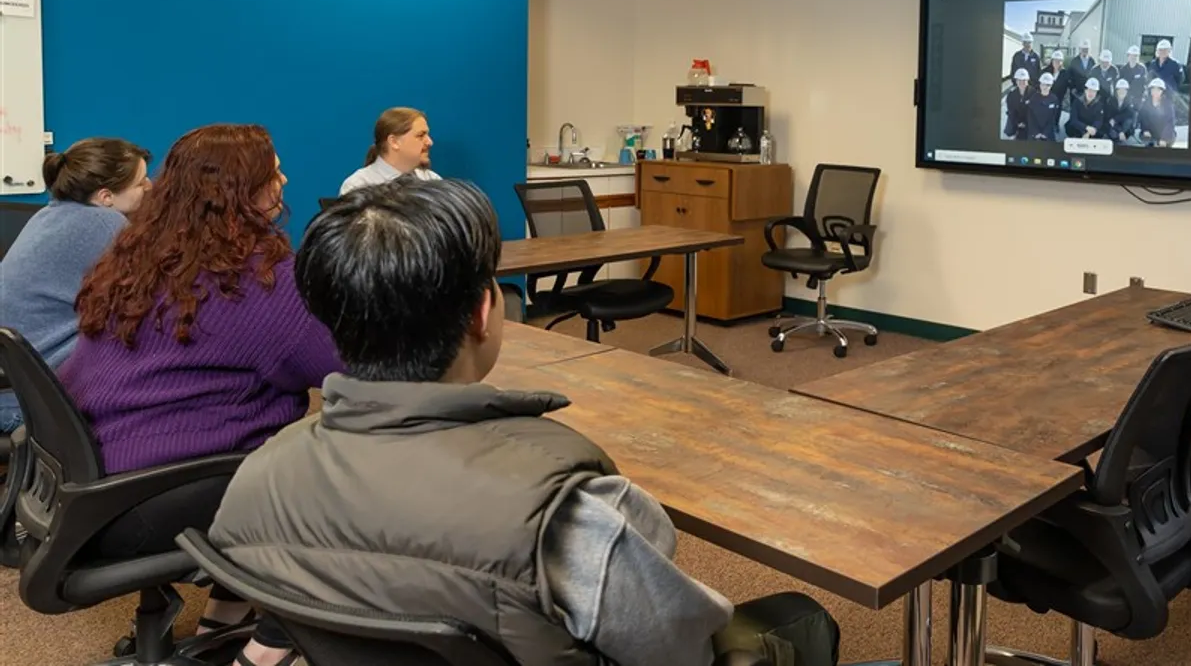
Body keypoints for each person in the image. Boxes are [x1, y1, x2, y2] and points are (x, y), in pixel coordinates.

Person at [209, 178, 842, 666]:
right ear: (486, 311)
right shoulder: (574, 511)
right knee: (799, 618)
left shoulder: (256, 478)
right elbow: (675, 648)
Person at [62, 124, 342, 666]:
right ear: (242, 190)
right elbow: (346, 367)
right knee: (333, 470)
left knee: (265, 453)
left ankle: (222, 622)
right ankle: (267, 652)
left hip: (94, 487)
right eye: (273, 171)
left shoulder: (137, 257)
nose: (284, 179)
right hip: (150, 496)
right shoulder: (259, 280)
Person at [0, 138, 152, 432]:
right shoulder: (106, 224)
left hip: (12, 386)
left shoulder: (49, 214)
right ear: (106, 197)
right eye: (141, 183)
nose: (151, 188)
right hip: (31, 404)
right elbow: (151, 298)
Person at [339, 106, 439, 194]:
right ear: (394, 142)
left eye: (427, 135)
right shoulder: (358, 185)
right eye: (421, 135)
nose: (430, 142)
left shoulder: (432, 181)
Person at [1137, 77, 1176, 147]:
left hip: (1164, 133)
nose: (1155, 92)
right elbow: (1142, 118)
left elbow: (1170, 122)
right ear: (1150, 90)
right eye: (1153, 89)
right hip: (1151, 133)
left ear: (1162, 91)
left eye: (1158, 90)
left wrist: (1164, 138)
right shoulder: (1146, 103)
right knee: (1145, 139)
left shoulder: (1167, 104)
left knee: (1167, 142)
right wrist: (1145, 129)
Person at [1026, 72, 1064, 142]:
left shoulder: (1054, 99)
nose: (1045, 87)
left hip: (1048, 132)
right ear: (1040, 85)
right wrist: (1036, 132)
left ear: (1051, 85)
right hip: (1034, 131)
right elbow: (1030, 117)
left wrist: (1045, 133)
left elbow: (1053, 118)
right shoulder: (1034, 98)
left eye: (1048, 85)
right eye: (1043, 84)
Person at [1105, 78, 1138, 143]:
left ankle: (1123, 136)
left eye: (1124, 90)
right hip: (1114, 126)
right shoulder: (1110, 101)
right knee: (1113, 134)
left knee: (1128, 121)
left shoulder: (1130, 101)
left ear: (1127, 91)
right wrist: (1120, 131)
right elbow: (1109, 117)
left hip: (1125, 126)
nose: (1122, 92)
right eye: (1120, 90)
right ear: (1117, 91)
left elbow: (1130, 114)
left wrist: (1116, 119)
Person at [1003, 68, 1032, 140]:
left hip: (1028, 119)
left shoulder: (1033, 93)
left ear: (1028, 80)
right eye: (1019, 80)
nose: (1022, 82)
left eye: (1024, 80)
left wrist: (1026, 123)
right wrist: (1018, 122)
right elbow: (1011, 111)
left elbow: (1034, 112)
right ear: (1016, 81)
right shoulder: (1011, 95)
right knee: (1009, 132)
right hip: (1016, 118)